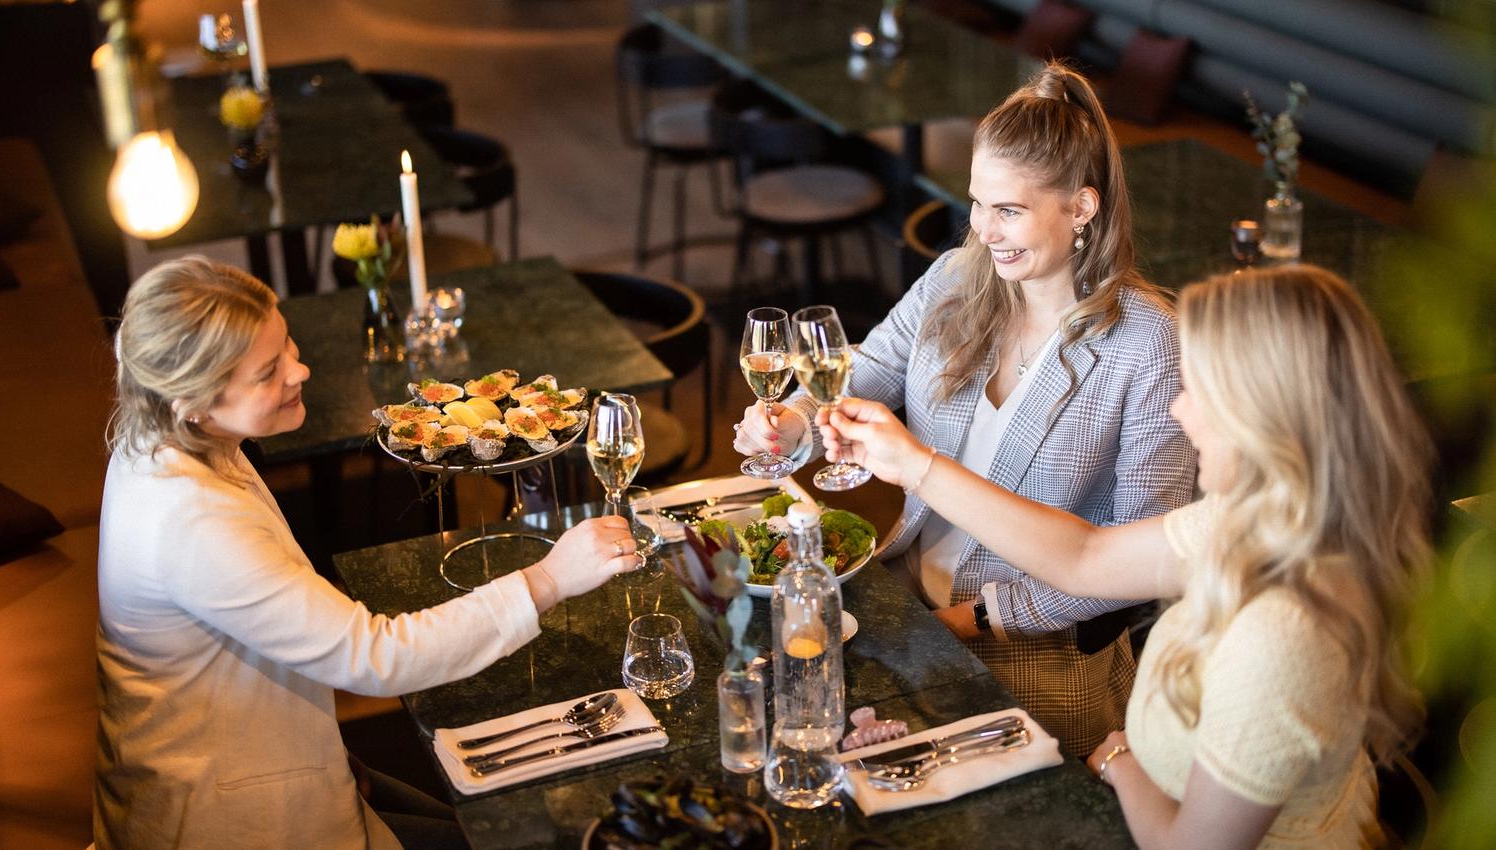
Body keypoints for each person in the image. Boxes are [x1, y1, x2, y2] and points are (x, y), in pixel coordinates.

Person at [818, 265, 1430, 848]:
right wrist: (917, 468)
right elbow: (1085, 557)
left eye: (1201, 391)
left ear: (1266, 417)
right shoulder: (1264, 522)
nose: (1179, 410)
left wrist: (1118, 759)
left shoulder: (1281, 633)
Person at [95, 257, 641, 850]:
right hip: (227, 815)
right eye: (268, 371)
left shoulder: (169, 437)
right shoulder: (190, 522)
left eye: (288, 346)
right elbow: (374, 656)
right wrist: (550, 578)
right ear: (191, 399)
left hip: (277, 754)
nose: (300, 370)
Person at [733, 61, 1196, 755]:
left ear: (1081, 208)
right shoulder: (958, 278)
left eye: (1009, 210)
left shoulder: (1150, 344)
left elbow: (1142, 555)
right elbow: (874, 364)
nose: (984, 231)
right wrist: (796, 420)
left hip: (1040, 655)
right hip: (904, 602)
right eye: (978, 204)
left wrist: (970, 621)